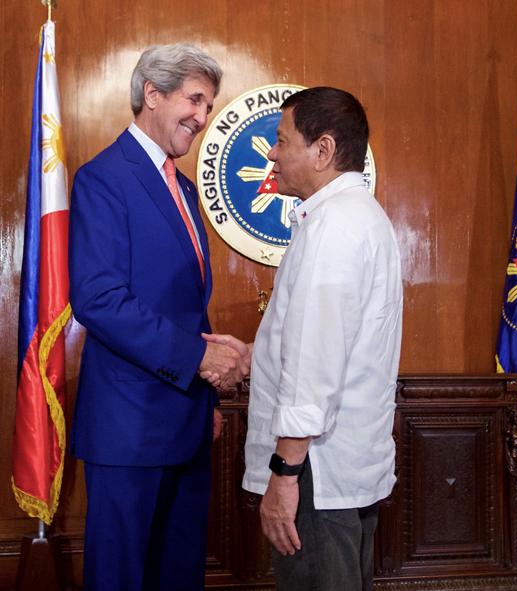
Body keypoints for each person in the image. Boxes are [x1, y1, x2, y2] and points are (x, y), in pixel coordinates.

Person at [69, 44, 249, 591]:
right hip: (129, 429)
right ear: (152, 93)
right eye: (195, 99)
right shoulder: (103, 177)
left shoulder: (186, 189)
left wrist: (208, 399)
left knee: (179, 574)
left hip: (187, 422)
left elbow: (184, 304)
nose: (202, 115)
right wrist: (201, 359)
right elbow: (98, 300)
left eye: (209, 104)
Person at [239, 87, 403, 591]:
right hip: (338, 475)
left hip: (314, 477)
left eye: (282, 140)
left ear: (323, 150)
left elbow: (315, 366)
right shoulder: (357, 217)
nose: (272, 152)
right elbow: (329, 343)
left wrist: (284, 477)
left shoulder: (334, 228)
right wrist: (255, 355)